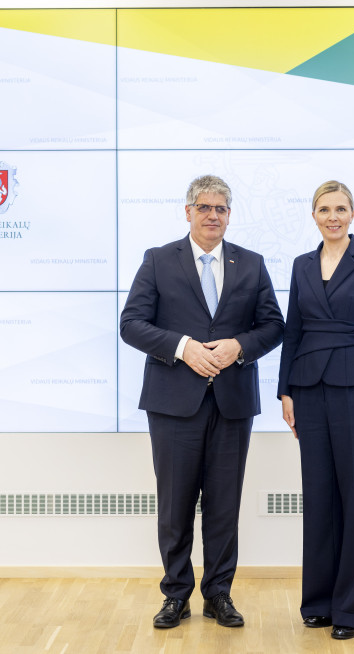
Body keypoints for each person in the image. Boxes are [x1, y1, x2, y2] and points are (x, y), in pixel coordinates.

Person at [120, 174, 284, 630]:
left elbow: (273, 325)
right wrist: (182, 347)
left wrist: (239, 347)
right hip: (174, 404)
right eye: (206, 207)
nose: (214, 215)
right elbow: (131, 323)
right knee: (174, 506)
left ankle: (219, 594)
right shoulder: (157, 260)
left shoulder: (251, 263)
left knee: (224, 505)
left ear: (230, 215)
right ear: (188, 211)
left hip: (231, 403)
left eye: (222, 208)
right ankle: (176, 596)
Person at [277, 180, 354, 640]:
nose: (333, 216)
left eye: (341, 208)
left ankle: (351, 611)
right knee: (320, 498)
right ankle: (319, 603)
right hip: (308, 389)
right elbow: (293, 331)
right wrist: (286, 391)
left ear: (352, 214)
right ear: (313, 215)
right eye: (324, 209)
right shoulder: (301, 264)